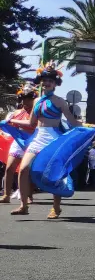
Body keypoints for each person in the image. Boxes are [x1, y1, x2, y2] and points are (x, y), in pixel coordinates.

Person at [10, 63, 85, 218]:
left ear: (55, 83)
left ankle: (56, 207)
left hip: (53, 139)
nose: (47, 82)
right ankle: (23, 205)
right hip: (38, 137)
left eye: (50, 80)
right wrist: (13, 121)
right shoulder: (37, 101)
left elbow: (71, 121)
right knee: (23, 169)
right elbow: (31, 123)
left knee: (54, 173)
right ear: (40, 81)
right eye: (44, 79)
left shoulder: (60, 101)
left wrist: (86, 125)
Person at [0, 84, 37, 204]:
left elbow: (32, 125)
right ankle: (6, 195)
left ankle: (29, 196)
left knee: (28, 170)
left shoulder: (36, 113)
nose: (25, 101)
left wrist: (15, 122)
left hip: (32, 142)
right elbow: (10, 127)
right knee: (10, 167)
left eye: (28, 98)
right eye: (24, 98)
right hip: (18, 141)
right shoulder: (16, 113)